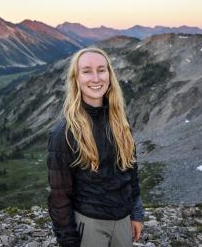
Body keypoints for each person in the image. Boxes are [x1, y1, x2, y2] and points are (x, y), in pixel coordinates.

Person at [47, 47, 144, 247]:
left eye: (101, 69)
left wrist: (136, 213)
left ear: (109, 75)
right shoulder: (64, 133)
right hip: (89, 224)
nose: (96, 77)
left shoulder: (121, 123)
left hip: (123, 220)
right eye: (86, 71)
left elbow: (130, 171)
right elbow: (59, 195)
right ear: (76, 78)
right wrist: (69, 241)